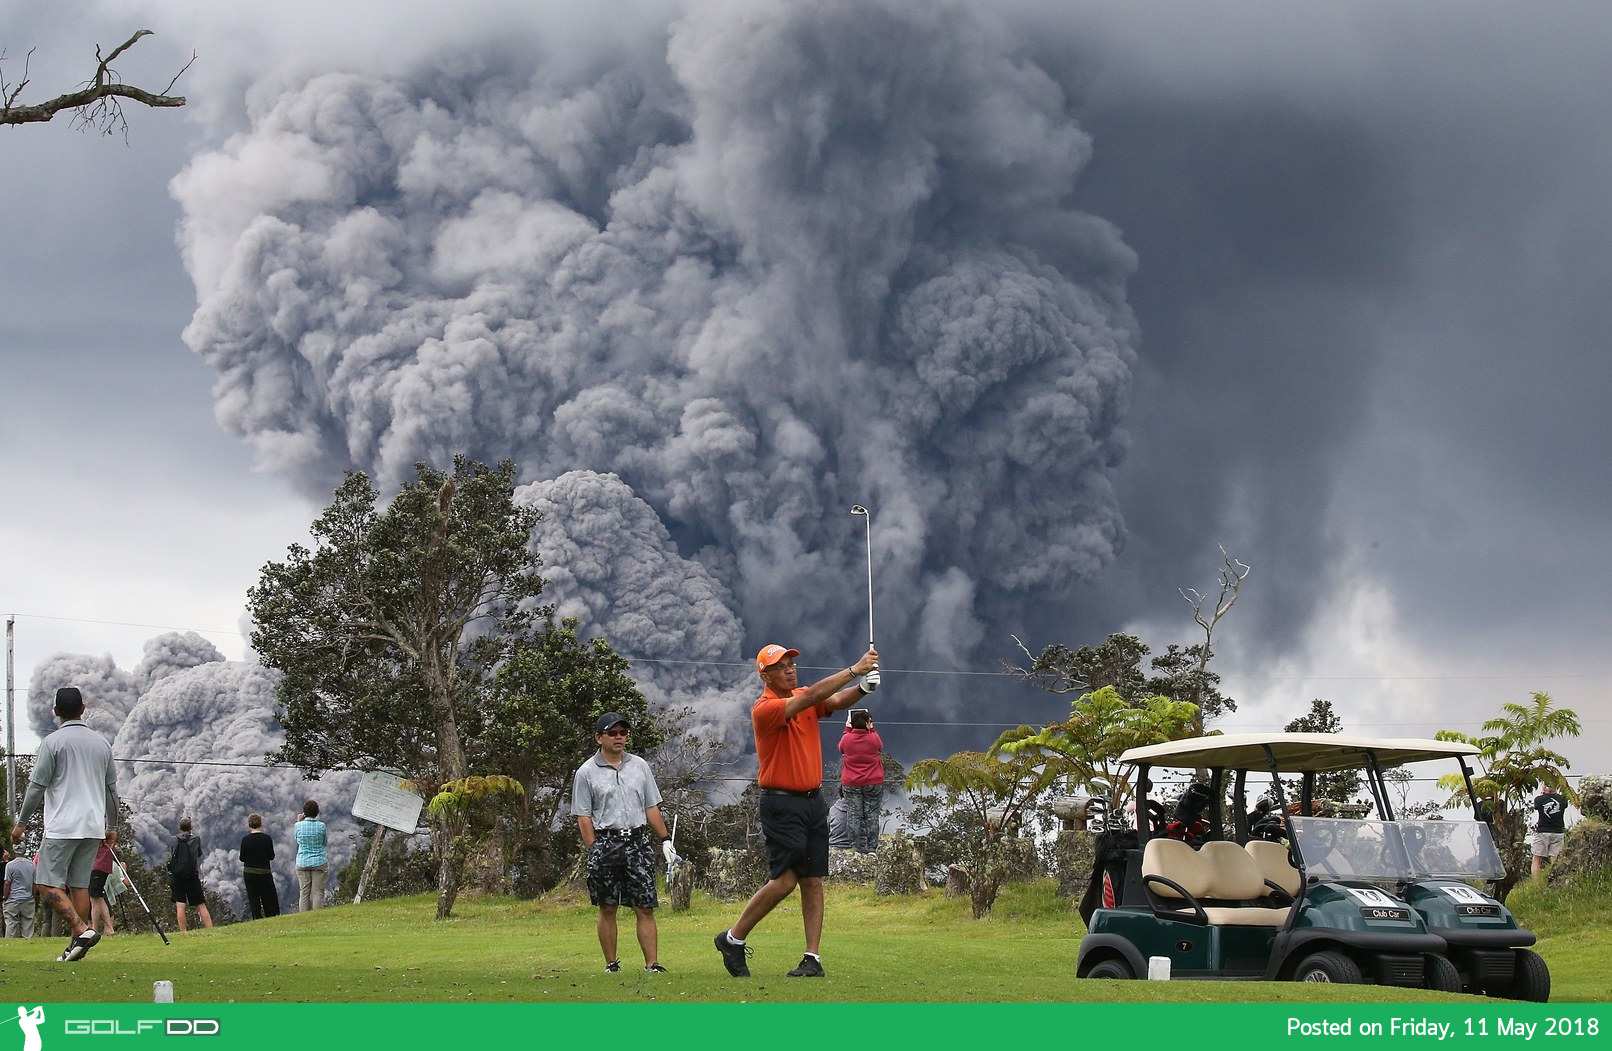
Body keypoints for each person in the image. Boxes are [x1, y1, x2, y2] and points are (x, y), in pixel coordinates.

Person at [714, 643, 879, 979]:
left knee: (813, 880)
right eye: (781, 666)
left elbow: (832, 701)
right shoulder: (766, 708)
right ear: (765, 674)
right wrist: (854, 670)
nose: (790, 669)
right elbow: (809, 698)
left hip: (812, 801)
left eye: (791, 663)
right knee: (786, 880)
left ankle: (812, 959)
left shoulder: (804, 694)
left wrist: (862, 689)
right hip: (781, 802)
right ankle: (733, 938)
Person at [9, 686, 118, 962]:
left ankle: (81, 930)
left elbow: (36, 787)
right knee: (79, 886)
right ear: (83, 709)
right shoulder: (102, 744)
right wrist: (112, 826)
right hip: (92, 826)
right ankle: (75, 947)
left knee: (45, 883)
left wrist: (21, 824)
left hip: (62, 826)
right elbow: (111, 791)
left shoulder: (53, 743)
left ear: (56, 712)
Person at [571, 712, 676, 974]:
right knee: (608, 906)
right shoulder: (586, 772)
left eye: (623, 733)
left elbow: (651, 806)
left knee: (645, 905)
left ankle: (652, 964)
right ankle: (611, 964)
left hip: (637, 841)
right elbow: (583, 816)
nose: (619, 737)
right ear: (599, 738)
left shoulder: (640, 766)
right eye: (612, 733)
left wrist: (665, 840)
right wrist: (593, 849)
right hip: (605, 841)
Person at [838, 709, 885, 853]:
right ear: (867, 724)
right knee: (872, 815)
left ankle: (854, 848)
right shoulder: (874, 738)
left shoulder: (847, 739)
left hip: (851, 783)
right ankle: (872, 849)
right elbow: (879, 747)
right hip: (873, 782)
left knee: (853, 815)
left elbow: (841, 749)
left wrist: (847, 728)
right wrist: (871, 728)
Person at [169, 817, 213, 931]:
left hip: (177, 876)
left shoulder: (174, 839)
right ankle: (210, 929)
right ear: (191, 827)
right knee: (200, 904)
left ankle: (183, 933)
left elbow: (171, 855)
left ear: (179, 828)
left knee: (180, 905)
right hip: (192, 875)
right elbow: (198, 854)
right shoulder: (196, 839)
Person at [240, 813, 280, 919]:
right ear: (260, 824)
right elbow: (271, 856)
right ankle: (271, 919)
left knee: (254, 900)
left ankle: (257, 919)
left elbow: (242, 858)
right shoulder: (267, 839)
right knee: (268, 899)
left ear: (249, 824)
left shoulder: (245, 840)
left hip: (249, 874)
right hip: (264, 873)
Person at [294, 799, 328, 911]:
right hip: (319, 862)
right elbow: (324, 843)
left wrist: (299, 821)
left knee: (304, 893)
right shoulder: (322, 826)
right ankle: (317, 919)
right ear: (317, 812)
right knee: (318, 892)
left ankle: (304, 919)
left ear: (304, 812)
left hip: (302, 862)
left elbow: (297, 840)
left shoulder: (298, 826)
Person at [1531, 781, 1567, 877]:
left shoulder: (1539, 799)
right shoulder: (1562, 799)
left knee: (1537, 858)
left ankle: (1536, 881)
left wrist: (1543, 793)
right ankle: (1555, 879)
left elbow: (1537, 806)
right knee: (1555, 859)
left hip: (1543, 831)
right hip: (1558, 832)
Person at [88, 829, 117, 937]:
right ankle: (109, 928)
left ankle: (95, 929)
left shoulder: (103, 833)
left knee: (94, 900)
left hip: (97, 867)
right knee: (99, 898)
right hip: (101, 866)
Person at [3, 848, 37, 938]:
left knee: (10, 923)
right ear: (25, 850)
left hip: (13, 899)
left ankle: (9, 944)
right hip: (28, 898)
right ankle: (27, 943)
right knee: (28, 924)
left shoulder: (10, 865)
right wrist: (33, 896)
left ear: (14, 851)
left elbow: (7, 883)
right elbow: (34, 884)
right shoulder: (32, 865)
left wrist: (5, 896)